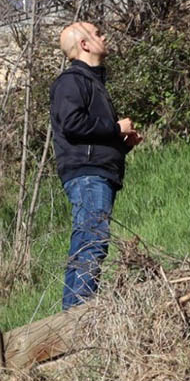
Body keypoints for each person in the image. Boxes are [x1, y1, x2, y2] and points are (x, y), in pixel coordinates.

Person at [50, 22, 142, 310]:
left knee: (88, 241)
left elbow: (88, 132)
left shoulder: (92, 83)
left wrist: (121, 143)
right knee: (93, 241)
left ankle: (75, 314)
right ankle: (80, 315)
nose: (105, 36)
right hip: (88, 175)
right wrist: (115, 129)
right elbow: (73, 124)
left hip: (96, 172)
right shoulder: (71, 81)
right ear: (85, 45)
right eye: (98, 33)